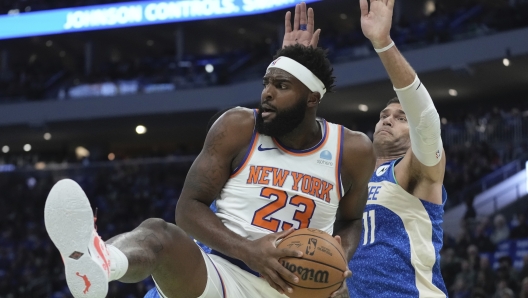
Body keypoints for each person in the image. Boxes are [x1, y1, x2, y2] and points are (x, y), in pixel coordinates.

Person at [44, 3, 375, 298]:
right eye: (266, 83)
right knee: (160, 234)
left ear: (312, 98)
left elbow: (351, 219)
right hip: (223, 271)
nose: (267, 94)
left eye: (281, 86)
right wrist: (248, 250)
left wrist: (340, 256)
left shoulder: (353, 149)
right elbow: (188, 209)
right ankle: (102, 261)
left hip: (294, 287)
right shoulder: (238, 126)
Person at [345, 0, 449, 296]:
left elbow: (426, 120)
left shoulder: (416, 170)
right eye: (383, 116)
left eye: (401, 118)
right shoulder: (350, 183)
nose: (388, 120)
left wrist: (383, 43)